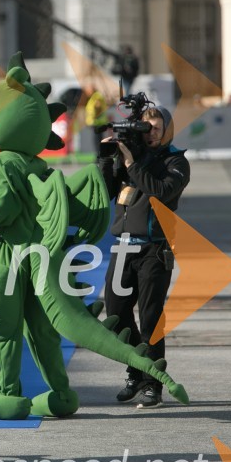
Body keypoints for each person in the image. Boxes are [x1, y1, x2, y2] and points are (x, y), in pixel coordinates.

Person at [98, 106, 190, 409]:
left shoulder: (175, 161)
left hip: (155, 249)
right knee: (115, 314)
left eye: (156, 126)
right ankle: (137, 370)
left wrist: (132, 163)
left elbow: (160, 191)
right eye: (145, 126)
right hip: (123, 246)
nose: (150, 131)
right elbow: (106, 191)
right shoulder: (131, 159)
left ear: (166, 129)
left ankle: (153, 384)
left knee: (150, 319)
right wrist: (108, 158)